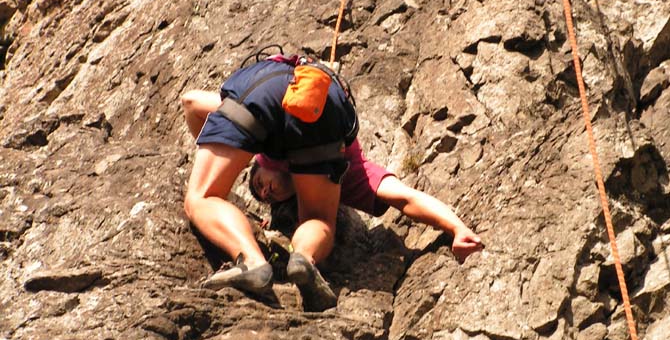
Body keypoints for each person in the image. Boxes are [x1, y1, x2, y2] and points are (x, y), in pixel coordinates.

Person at [182, 57, 482, 310]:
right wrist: (457, 229)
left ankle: (249, 260)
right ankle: (304, 261)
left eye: (258, 182)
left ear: (257, 159)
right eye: (265, 197)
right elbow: (403, 198)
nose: (266, 192)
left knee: (202, 199)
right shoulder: (347, 168)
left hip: (267, 90)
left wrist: (220, 145)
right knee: (316, 218)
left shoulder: (259, 136)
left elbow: (192, 102)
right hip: (324, 108)